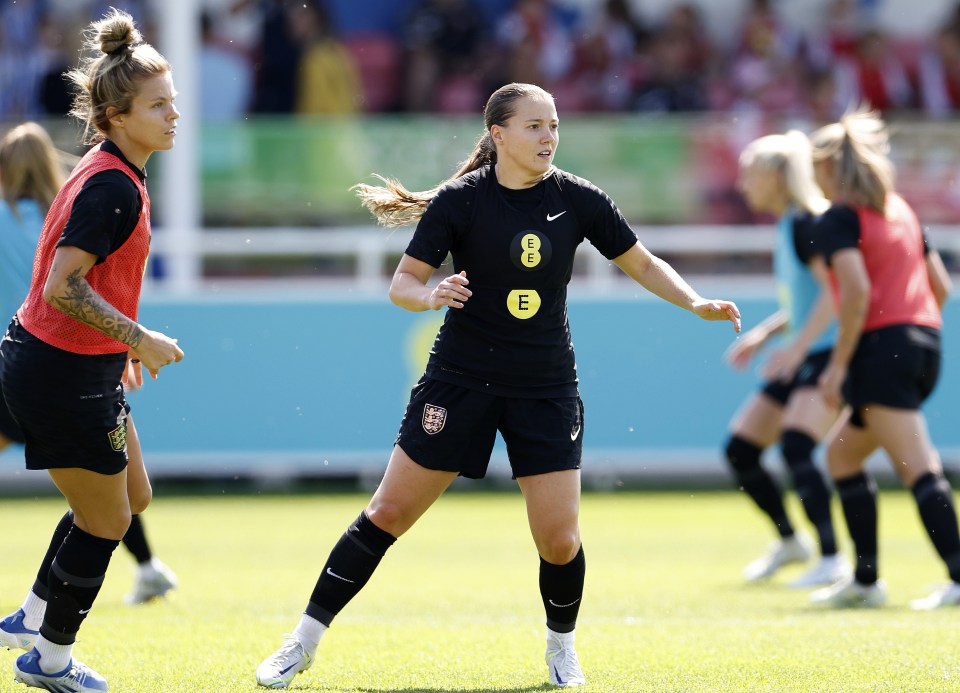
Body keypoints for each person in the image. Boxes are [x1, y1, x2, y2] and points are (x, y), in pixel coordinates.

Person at [255, 81, 741, 690]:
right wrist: (430, 295)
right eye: (535, 126)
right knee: (387, 513)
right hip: (459, 381)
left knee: (560, 540)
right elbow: (402, 284)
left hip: (545, 386)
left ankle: (561, 650)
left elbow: (640, 261)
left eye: (554, 126)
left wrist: (694, 302)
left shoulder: (579, 199)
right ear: (499, 134)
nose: (548, 138)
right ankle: (300, 643)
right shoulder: (460, 202)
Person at [0, 9, 184, 691]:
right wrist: (140, 338)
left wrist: (120, 344)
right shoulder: (110, 184)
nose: (173, 115)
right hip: (59, 370)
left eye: (173, 102)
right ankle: (49, 658)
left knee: (131, 494)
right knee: (107, 517)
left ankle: (33, 613)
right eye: (158, 105)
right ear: (115, 113)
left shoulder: (108, 166)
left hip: (68, 361)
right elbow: (63, 284)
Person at [806, 108, 959, 609]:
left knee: (919, 468)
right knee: (841, 454)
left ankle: (958, 577)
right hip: (924, 342)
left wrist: (840, 364)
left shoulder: (838, 218)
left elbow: (854, 294)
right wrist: (912, 332)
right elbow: (941, 288)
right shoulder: (900, 210)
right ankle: (867, 581)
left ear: (829, 168)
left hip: (881, 349)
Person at [722, 130, 849, 589]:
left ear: (777, 176)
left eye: (750, 174)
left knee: (797, 446)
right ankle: (791, 541)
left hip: (828, 354)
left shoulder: (808, 223)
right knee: (740, 451)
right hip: (804, 352)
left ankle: (833, 558)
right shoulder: (788, 223)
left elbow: (836, 297)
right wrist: (765, 334)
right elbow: (804, 302)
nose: (743, 185)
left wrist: (795, 348)